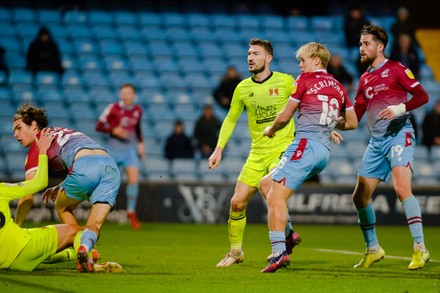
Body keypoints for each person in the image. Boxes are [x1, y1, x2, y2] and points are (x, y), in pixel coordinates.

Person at [260, 42, 358, 273]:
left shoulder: (303, 80)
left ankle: (278, 253)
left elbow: (285, 116)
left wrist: (271, 129)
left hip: (304, 146)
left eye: (302, 59)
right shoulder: (339, 86)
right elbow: (352, 123)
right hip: (323, 152)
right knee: (265, 184)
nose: (300, 64)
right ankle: (289, 233)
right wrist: (329, 125)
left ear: (316, 59)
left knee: (275, 198)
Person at [209, 38, 301, 267]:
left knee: (269, 187)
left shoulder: (286, 81)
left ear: (268, 58)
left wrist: (325, 129)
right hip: (257, 152)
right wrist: (218, 149)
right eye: (249, 53)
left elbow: (306, 102)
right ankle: (236, 252)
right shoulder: (242, 88)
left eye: (256, 53)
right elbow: (230, 119)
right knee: (237, 203)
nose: (250, 57)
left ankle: (280, 248)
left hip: (282, 148)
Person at [351, 25, 429, 270]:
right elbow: (356, 114)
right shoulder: (365, 78)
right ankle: (373, 249)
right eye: (361, 44)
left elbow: (422, 97)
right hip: (376, 142)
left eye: (366, 44)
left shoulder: (397, 69)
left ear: (380, 46)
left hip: (399, 134)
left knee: (401, 187)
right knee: (360, 195)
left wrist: (399, 108)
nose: (362, 48)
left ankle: (420, 249)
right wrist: (334, 124)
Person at [12, 102, 121, 273]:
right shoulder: (61, 130)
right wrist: (63, 184)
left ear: (33, 125)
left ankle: (78, 243)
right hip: (111, 167)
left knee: (62, 206)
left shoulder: (38, 144)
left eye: (18, 128)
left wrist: (15, 227)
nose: (15, 134)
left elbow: (27, 196)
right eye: (14, 131)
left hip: (84, 168)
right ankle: (85, 249)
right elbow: (84, 154)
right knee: (94, 225)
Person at [96, 83, 145, 230]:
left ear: (134, 95)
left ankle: (131, 211)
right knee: (110, 182)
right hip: (114, 151)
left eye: (129, 93)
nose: (126, 95)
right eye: (123, 93)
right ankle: (101, 212)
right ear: (120, 95)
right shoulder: (113, 108)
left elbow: (137, 128)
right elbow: (99, 125)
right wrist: (113, 130)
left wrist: (141, 143)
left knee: (134, 179)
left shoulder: (138, 110)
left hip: (130, 151)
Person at [343, 5, 370, 76]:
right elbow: (347, 37)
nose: (355, 14)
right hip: (351, 47)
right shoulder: (347, 22)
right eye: (353, 12)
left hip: (363, 46)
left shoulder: (365, 22)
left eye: (356, 12)